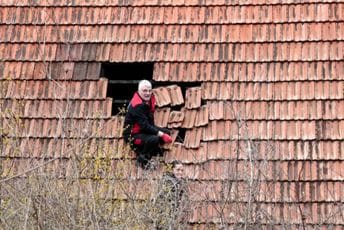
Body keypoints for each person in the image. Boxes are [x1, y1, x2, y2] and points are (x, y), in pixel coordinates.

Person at [123, 80, 172, 169]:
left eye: (149, 91)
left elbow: (149, 122)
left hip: (143, 129)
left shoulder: (148, 100)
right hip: (133, 135)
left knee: (167, 132)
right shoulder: (137, 105)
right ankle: (142, 160)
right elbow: (145, 126)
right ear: (139, 91)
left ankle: (152, 149)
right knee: (154, 139)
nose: (148, 93)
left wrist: (163, 133)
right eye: (145, 91)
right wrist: (161, 134)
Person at [153, 160, 189, 229]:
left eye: (182, 170)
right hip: (164, 216)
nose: (180, 172)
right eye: (178, 170)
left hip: (171, 216)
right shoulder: (168, 182)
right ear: (172, 170)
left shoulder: (179, 183)